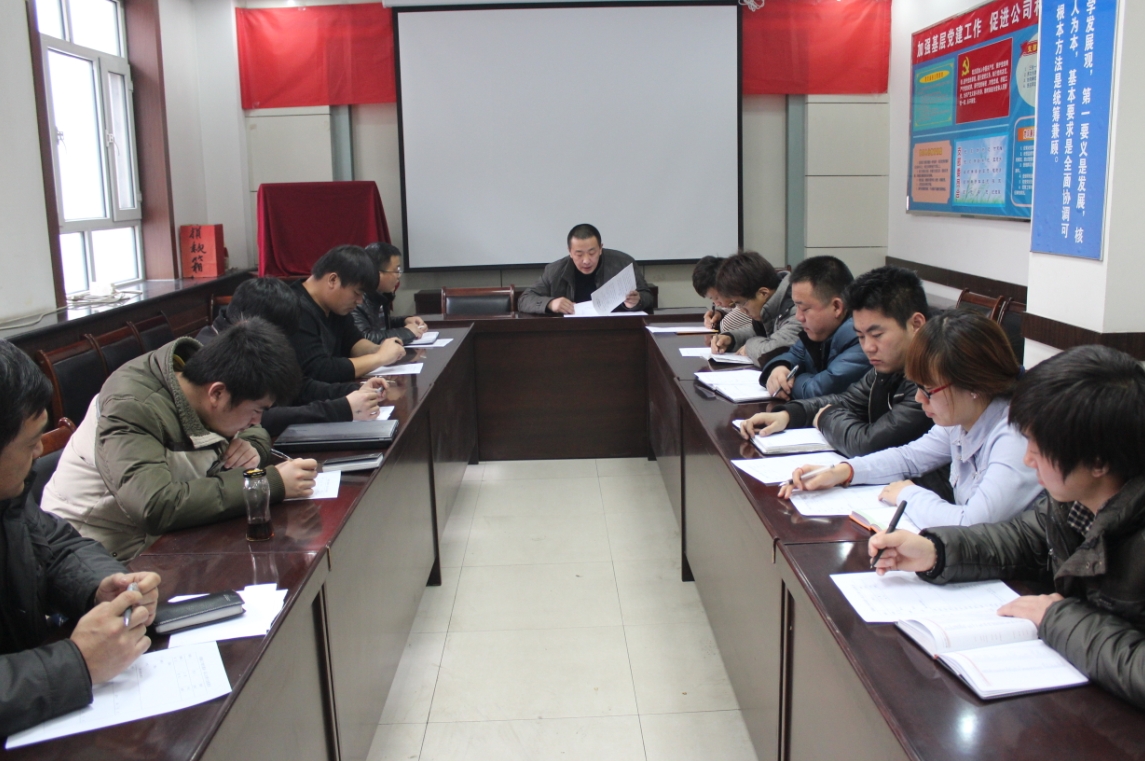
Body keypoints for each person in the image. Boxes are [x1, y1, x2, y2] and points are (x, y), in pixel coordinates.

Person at [869, 345, 1145, 709]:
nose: (1028, 459)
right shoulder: (1074, 501)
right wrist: (935, 551)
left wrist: (1058, 619)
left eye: (1039, 447)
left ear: (1098, 461)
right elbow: (1022, 539)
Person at [42, 320, 318, 560]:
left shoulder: (206, 382)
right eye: (256, 410)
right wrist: (265, 483)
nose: (257, 420)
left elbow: (252, 429)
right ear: (217, 394)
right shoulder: (132, 409)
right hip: (97, 556)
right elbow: (155, 506)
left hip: (160, 543)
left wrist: (253, 447)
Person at [0, 340, 160, 735]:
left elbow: (56, 544)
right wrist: (77, 663)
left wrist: (100, 584)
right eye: (29, 443)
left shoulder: (9, 494)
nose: (40, 450)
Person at [780, 309, 1042, 529]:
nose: (918, 398)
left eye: (928, 390)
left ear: (973, 384)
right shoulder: (964, 416)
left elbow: (971, 523)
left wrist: (908, 494)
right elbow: (910, 457)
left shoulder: (1015, 437)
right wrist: (843, 472)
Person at [740, 266, 933, 457]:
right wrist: (788, 415)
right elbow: (848, 401)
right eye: (861, 336)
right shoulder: (888, 364)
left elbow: (868, 444)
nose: (868, 347)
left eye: (877, 335)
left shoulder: (932, 376)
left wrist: (825, 417)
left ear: (916, 324)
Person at [198, 277, 389, 436]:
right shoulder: (213, 355)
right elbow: (259, 418)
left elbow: (298, 387)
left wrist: (355, 390)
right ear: (251, 324)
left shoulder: (246, 344)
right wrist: (341, 409)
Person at [289, 245, 407, 382]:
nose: (360, 301)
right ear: (333, 280)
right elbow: (319, 370)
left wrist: (380, 349)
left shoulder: (334, 305)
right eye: (357, 293)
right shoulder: (294, 308)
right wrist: (379, 358)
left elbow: (353, 342)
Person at [517, 224, 654, 314]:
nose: (586, 260)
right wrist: (551, 304)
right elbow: (524, 300)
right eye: (579, 254)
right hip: (572, 333)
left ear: (600, 248)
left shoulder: (623, 263)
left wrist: (637, 301)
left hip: (614, 329)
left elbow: (648, 296)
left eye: (592, 252)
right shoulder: (555, 271)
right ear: (570, 252)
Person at [709, 251, 800, 364]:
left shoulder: (797, 309)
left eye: (741, 303)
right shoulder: (774, 303)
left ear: (763, 293)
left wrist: (749, 347)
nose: (741, 310)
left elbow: (771, 353)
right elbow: (759, 331)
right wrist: (731, 339)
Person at [354, 242, 429, 344]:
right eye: (396, 270)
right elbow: (366, 338)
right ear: (377, 274)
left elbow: (381, 325)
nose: (399, 276)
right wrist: (407, 332)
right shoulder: (356, 300)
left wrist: (404, 321)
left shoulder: (380, 295)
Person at [690, 255, 751, 334]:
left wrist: (719, 321)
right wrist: (720, 313)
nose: (717, 304)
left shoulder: (750, 305)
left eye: (716, 298)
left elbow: (727, 325)